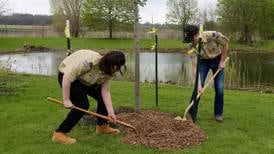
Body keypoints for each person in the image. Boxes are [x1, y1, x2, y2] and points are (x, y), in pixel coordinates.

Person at [52, 49, 126, 144]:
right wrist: (66, 100)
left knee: (102, 98)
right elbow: (68, 76)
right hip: (67, 76)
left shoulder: (110, 71)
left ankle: (102, 127)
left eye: (118, 67)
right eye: (115, 67)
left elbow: (105, 91)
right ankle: (60, 133)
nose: (116, 70)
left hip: (86, 80)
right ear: (108, 63)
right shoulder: (90, 62)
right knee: (82, 105)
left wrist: (110, 112)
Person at [183, 25, 229, 123]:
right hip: (203, 62)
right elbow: (195, 66)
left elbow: (225, 44)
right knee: (197, 89)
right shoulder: (191, 47)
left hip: (217, 59)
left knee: (219, 88)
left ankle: (218, 114)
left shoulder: (212, 35)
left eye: (191, 39)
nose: (190, 42)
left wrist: (222, 61)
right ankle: (191, 114)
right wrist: (199, 85)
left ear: (196, 35)